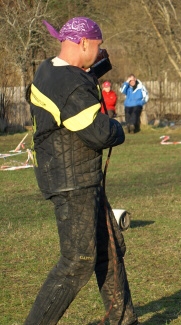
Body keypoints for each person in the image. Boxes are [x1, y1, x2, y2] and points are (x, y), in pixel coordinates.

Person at [25, 17, 138, 325]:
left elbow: (75, 81)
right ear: (84, 43)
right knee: (78, 261)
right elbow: (99, 133)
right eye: (98, 46)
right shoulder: (70, 85)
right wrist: (119, 128)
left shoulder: (50, 69)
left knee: (108, 252)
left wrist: (91, 74)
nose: (101, 52)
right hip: (71, 181)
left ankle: (123, 320)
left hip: (78, 175)